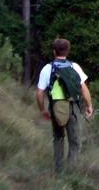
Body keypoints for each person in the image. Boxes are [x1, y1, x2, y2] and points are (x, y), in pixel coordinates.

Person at [36, 37, 94, 174]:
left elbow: (39, 93)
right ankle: (71, 171)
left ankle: (59, 171)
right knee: (75, 142)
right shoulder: (74, 67)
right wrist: (89, 105)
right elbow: (84, 89)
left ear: (54, 52)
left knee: (58, 138)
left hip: (55, 107)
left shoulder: (47, 68)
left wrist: (43, 110)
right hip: (73, 107)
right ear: (68, 52)